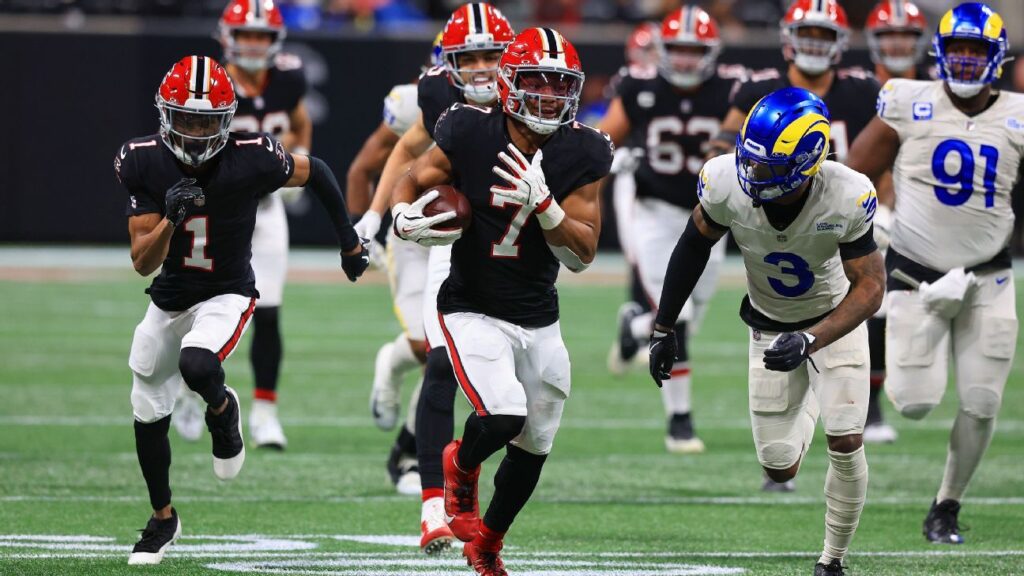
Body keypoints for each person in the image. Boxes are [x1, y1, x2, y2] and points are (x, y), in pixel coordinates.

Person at [118, 55, 367, 565]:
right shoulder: (143, 160)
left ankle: (223, 410)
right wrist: (170, 219)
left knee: (197, 363)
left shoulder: (253, 155)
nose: (194, 133)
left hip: (227, 290)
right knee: (147, 402)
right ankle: (163, 519)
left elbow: (316, 171)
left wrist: (349, 242)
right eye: (185, 120)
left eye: (206, 122)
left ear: (227, 121)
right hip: (170, 294)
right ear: (165, 115)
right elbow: (143, 262)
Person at [392, 27, 612, 575]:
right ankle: (460, 465)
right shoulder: (469, 129)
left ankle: (488, 544)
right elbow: (412, 178)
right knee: (504, 414)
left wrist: (548, 208)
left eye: (560, 85)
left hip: (538, 314)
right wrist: (402, 218)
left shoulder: (582, 150)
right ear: (510, 84)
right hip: (471, 304)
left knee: (535, 443)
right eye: (538, 82)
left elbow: (583, 254)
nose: (549, 96)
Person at [651, 88, 883, 576]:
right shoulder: (724, 182)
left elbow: (870, 288)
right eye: (751, 160)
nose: (753, 173)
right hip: (769, 326)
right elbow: (693, 245)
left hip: (833, 323)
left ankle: (832, 560)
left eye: (769, 167)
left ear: (807, 162)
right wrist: (663, 326)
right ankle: (817, 395)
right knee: (779, 466)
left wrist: (813, 340)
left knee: (845, 440)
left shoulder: (846, 194)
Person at [847, 1, 1021, 545]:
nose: (966, 60)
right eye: (958, 49)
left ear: (997, 58)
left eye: (976, 50)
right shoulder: (907, 100)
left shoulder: (1017, 115)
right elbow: (854, 174)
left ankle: (946, 505)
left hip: (988, 277)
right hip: (915, 277)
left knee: (983, 401)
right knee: (915, 402)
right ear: (941, 53)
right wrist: (869, 227)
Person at [353, 3, 517, 554]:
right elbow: (404, 149)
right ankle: (432, 509)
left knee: (514, 394)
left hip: (506, 246)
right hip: (439, 234)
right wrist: (378, 215)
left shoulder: (532, 94)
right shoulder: (433, 94)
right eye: (470, 57)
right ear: (450, 62)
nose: (481, 68)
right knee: (440, 361)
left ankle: (457, 470)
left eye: (491, 55)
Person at [708, 0, 881, 490]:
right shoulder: (762, 91)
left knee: (867, 297)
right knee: (778, 463)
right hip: (778, 220)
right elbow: (724, 142)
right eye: (807, 33)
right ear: (787, 36)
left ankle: (859, 405)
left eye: (825, 35)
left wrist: (882, 205)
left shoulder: (862, 92)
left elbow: (887, 149)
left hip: (839, 218)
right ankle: (813, 397)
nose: (814, 45)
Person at [600, 6, 745, 454]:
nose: (684, 59)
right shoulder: (639, 86)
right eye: (677, 49)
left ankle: (634, 328)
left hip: (710, 215)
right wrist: (611, 158)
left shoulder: (732, 90)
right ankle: (679, 420)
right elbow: (601, 140)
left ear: (711, 53)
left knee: (690, 317)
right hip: (655, 212)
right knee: (676, 318)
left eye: (693, 50)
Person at [173, 0, 311, 450]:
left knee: (268, 312)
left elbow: (300, 122)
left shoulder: (288, 79)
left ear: (275, 40)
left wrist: (294, 159)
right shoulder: (213, 84)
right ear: (227, 37)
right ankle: (190, 390)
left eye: (261, 35)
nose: (252, 44)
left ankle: (265, 413)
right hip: (216, 213)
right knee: (196, 307)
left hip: (265, 210)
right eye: (245, 34)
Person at [345, 35, 445, 497]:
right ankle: (391, 362)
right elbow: (363, 167)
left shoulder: (509, 103)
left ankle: (408, 453)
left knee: (451, 355)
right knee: (428, 345)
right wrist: (363, 226)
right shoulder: (416, 102)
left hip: (465, 236)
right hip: (412, 236)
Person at [604, 22, 659, 378]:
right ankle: (638, 326)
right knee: (640, 255)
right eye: (646, 50)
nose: (651, 57)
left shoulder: (675, 85)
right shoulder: (631, 83)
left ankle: (641, 326)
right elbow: (609, 131)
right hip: (634, 177)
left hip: (669, 182)